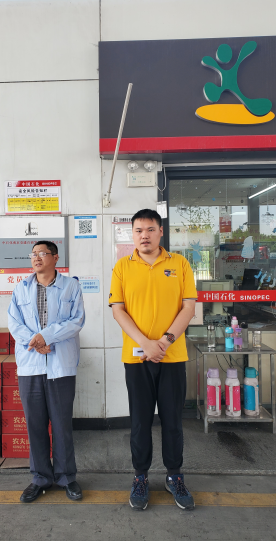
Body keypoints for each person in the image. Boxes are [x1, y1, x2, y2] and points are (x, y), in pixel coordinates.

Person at [109, 209, 197, 511]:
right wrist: (146, 344)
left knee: (173, 421)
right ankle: (140, 476)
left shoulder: (180, 264)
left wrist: (165, 342)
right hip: (136, 359)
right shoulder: (122, 266)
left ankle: (175, 476)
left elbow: (188, 308)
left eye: (149, 229)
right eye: (138, 230)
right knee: (140, 421)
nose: (144, 235)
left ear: (161, 231)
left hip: (172, 357)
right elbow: (118, 310)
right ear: (132, 234)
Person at [8, 240, 85, 503]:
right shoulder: (20, 288)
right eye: (33, 254)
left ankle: (66, 477)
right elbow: (14, 324)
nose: (37, 258)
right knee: (35, 425)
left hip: (61, 366)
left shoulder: (71, 286)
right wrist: (36, 341)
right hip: (30, 365)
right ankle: (40, 478)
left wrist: (46, 336)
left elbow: (76, 321)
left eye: (42, 253)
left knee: (62, 425)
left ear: (55, 258)